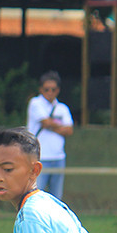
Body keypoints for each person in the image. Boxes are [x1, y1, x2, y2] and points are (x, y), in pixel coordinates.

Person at [26, 71, 73, 200]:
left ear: (58, 90)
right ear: (41, 89)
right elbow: (45, 122)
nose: (50, 92)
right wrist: (59, 126)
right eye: (46, 89)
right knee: (35, 196)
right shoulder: (35, 103)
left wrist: (51, 126)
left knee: (56, 198)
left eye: (53, 89)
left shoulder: (62, 108)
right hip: (40, 157)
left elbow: (69, 130)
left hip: (58, 158)